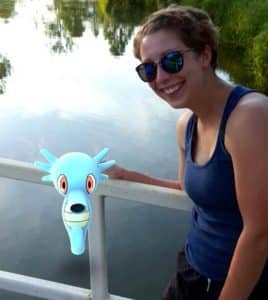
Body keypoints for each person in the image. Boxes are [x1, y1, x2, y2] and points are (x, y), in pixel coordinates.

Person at [105, 4, 268, 300]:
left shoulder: (249, 117)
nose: (161, 77)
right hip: (191, 270)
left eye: (172, 60)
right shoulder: (186, 125)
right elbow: (187, 188)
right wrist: (128, 176)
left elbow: (260, 232)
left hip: (242, 284)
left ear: (205, 55)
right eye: (149, 69)